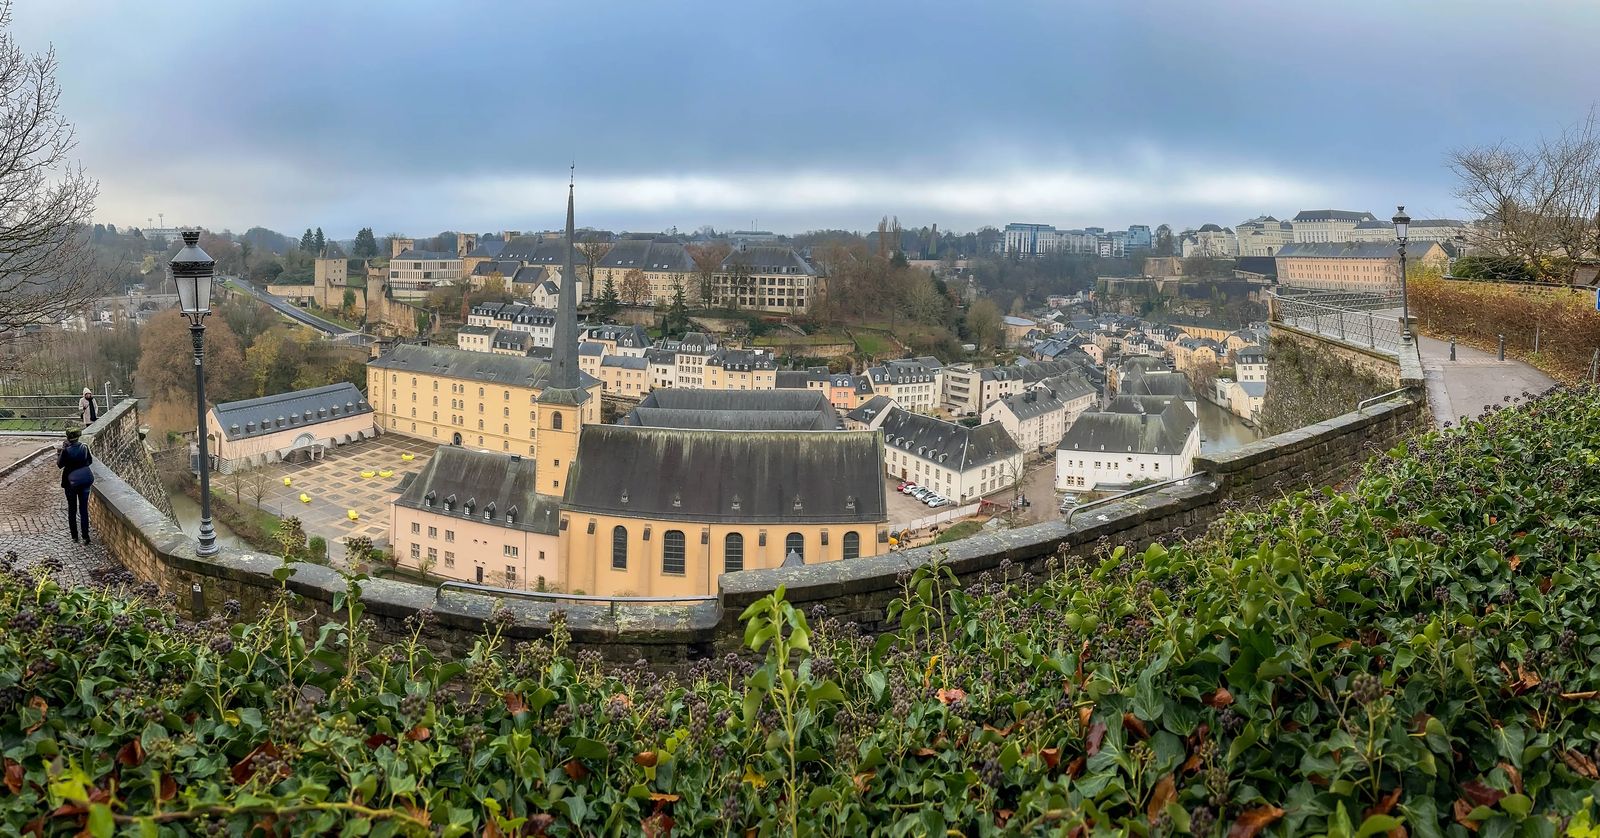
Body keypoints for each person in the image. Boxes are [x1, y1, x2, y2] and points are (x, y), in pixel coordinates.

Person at [57, 428, 94, 544]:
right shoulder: (84, 447)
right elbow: (89, 461)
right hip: (84, 480)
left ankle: (74, 536)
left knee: (72, 509)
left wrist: (60, 453)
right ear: (78, 436)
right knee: (83, 509)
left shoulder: (66, 450)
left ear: (68, 437)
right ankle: (86, 536)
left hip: (70, 482)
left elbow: (59, 464)